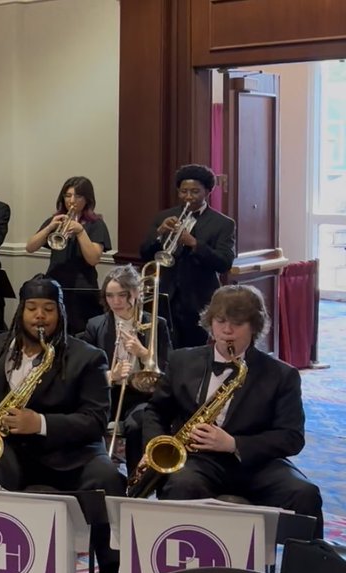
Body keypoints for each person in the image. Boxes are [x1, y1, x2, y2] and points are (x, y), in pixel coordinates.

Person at [0, 276, 123, 573]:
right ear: (20, 312)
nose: (39, 316)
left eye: (48, 309)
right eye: (31, 308)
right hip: (9, 450)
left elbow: (95, 420)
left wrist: (40, 422)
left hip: (72, 453)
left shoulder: (88, 356)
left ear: (60, 314)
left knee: (107, 478)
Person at [139, 285, 323, 537]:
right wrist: (154, 448)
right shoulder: (182, 361)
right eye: (220, 321)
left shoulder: (282, 375)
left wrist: (234, 444)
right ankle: (181, 569)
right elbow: (156, 411)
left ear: (254, 326)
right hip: (198, 460)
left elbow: (291, 437)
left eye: (237, 323)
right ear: (210, 321)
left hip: (257, 464)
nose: (226, 331)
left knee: (304, 494)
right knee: (181, 486)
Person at [78, 265, 171, 468]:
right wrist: (111, 374)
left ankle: (135, 477)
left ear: (136, 293)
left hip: (141, 395)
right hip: (104, 395)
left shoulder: (157, 324)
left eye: (122, 295)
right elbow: (84, 374)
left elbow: (167, 371)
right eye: (110, 296)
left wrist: (143, 353)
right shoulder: (95, 325)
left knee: (137, 424)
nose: (116, 302)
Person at [139, 164, 236, 348]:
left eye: (195, 192)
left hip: (198, 300)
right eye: (184, 192)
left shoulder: (223, 224)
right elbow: (144, 253)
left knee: (193, 353)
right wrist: (159, 233)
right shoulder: (164, 217)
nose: (188, 197)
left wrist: (194, 244)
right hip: (164, 297)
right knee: (163, 349)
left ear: (207, 192)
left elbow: (224, 262)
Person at [26, 176, 111, 290]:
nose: (71, 201)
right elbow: (30, 248)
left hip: (82, 288)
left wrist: (81, 231)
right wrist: (50, 227)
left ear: (87, 199)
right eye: (68, 196)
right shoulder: (57, 220)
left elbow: (93, 260)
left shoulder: (96, 224)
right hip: (54, 284)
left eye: (78, 196)